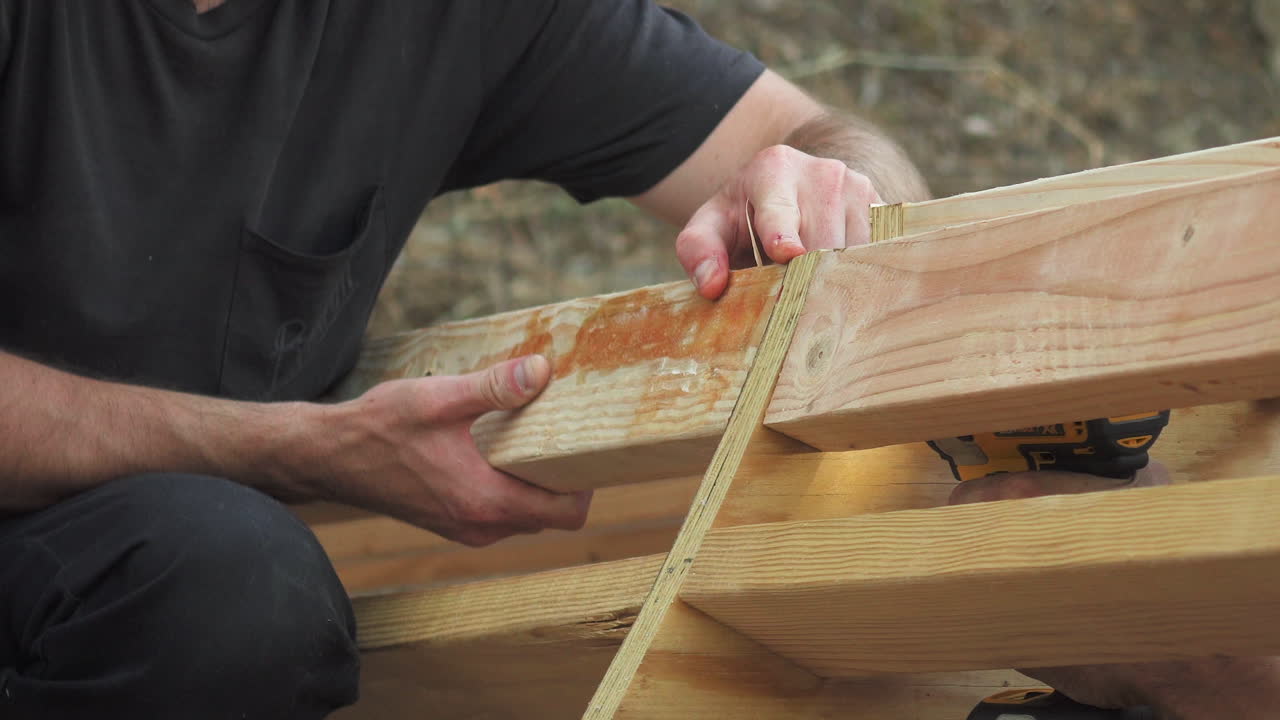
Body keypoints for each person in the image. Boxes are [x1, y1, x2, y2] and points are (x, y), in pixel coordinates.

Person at [0, 1, 1270, 718]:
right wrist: (282, 448)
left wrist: (822, 194)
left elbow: (823, 129)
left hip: (159, 555)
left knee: (232, 594)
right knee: (233, 581)